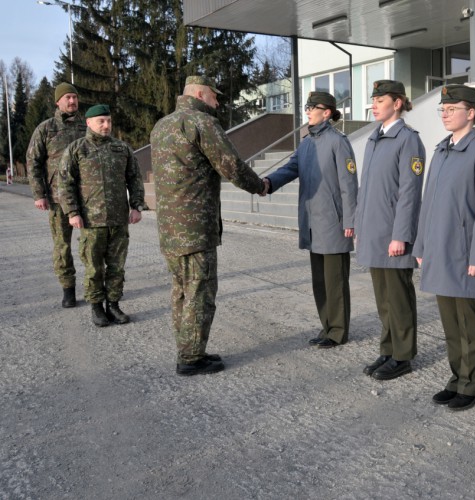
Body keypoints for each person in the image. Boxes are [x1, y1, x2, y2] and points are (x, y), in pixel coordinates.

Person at [151, 75, 269, 376]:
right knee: (200, 292)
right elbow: (231, 165)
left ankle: (187, 347)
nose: (218, 102)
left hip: (169, 227)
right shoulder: (202, 124)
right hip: (195, 228)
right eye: (215, 96)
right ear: (201, 94)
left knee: (180, 289)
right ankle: (191, 358)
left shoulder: (162, 126)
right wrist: (261, 186)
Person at [413, 84, 475, 411]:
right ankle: (456, 378)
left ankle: (472, 383)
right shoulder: (441, 149)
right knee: (451, 323)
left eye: (452, 108)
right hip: (439, 249)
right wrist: (421, 244)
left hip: (465, 252)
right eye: (443, 109)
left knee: (470, 324)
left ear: (471, 112)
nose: (446, 114)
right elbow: (428, 203)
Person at [264, 91, 358, 349]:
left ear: (326, 112)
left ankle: (338, 331)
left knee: (335, 281)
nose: (307, 111)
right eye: (306, 106)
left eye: (311, 107)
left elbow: (349, 184)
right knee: (320, 280)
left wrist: (350, 220)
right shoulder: (306, 143)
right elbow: (290, 168)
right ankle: (327, 325)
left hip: (333, 221)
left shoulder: (337, 142)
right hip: (312, 222)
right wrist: (268, 183)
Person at [355, 80, 425, 380]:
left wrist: (401, 235)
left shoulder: (407, 139)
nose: (374, 104)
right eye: (373, 99)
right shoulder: (374, 138)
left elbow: (410, 192)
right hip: (374, 232)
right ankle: (388, 350)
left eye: (380, 99)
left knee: (399, 298)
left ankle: (403, 355)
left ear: (397, 103)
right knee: (383, 299)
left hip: (393, 236)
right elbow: (366, 188)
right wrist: (359, 224)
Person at [59, 104, 146, 327]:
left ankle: (114, 305)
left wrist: (136, 206)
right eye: (101, 121)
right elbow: (65, 183)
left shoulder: (122, 149)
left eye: (108, 121)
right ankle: (97, 308)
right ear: (89, 123)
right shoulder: (77, 149)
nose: (106, 125)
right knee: (93, 267)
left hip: (118, 219)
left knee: (117, 266)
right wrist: (73, 212)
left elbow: (135, 178)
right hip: (91, 221)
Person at [26, 82, 87, 308]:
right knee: (62, 246)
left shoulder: (86, 126)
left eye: (75, 97)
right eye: (68, 98)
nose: (72, 101)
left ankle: (94, 287)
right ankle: (68, 289)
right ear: (58, 101)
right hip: (57, 199)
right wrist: (39, 194)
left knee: (91, 245)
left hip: (87, 198)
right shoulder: (46, 128)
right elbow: (33, 162)